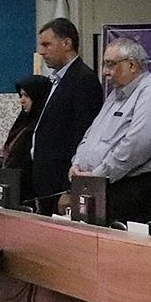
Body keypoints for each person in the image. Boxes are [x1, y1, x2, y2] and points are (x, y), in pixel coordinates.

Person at [69, 37, 151, 225]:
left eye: (110, 64)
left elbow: (138, 145)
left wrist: (99, 175)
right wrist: (77, 164)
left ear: (132, 65)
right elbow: (91, 135)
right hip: (107, 186)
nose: (105, 72)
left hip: (138, 191)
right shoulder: (115, 95)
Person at [30, 18, 105, 208]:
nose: (41, 51)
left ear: (66, 43)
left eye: (47, 44)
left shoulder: (83, 80)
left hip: (62, 184)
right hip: (45, 182)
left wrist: (70, 189)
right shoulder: (54, 81)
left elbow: (82, 137)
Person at [0, 75, 53, 201]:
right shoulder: (22, 122)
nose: (22, 100)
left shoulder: (43, 126)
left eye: (27, 96)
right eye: (21, 95)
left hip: (32, 191)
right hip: (13, 186)